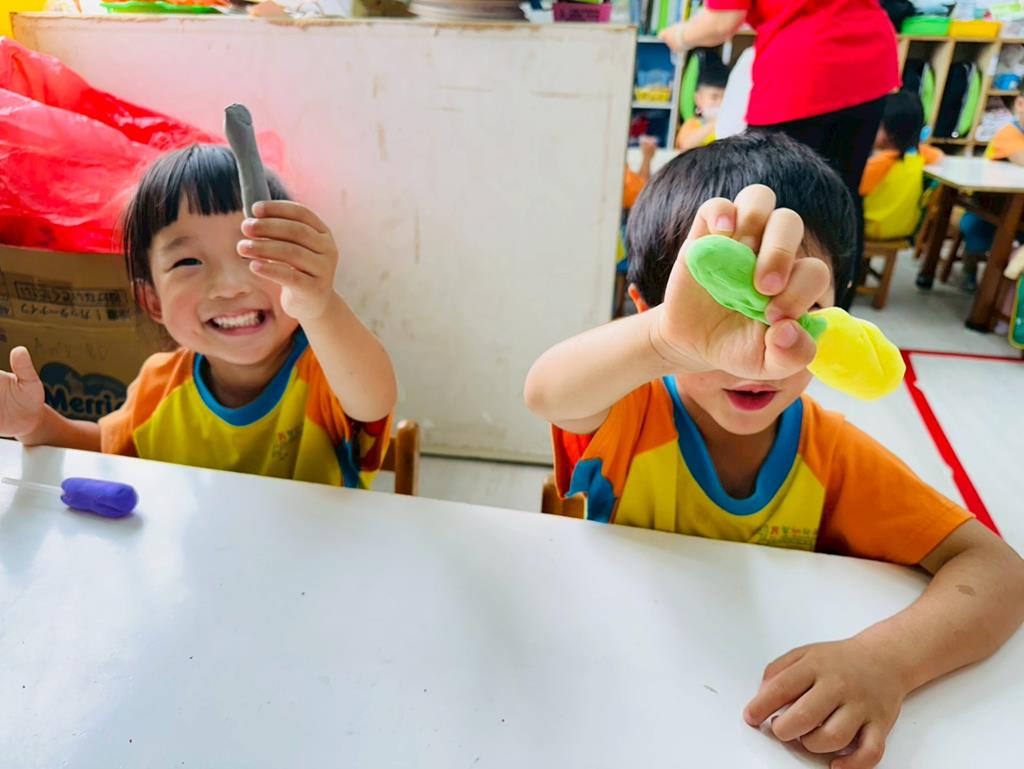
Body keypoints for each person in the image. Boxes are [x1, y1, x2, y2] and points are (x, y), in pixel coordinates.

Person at [524, 133, 1024, 769]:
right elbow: (545, 394)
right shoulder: (630, 412)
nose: (755, 355)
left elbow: (999, 571)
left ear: (838, 316)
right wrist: (665, 344)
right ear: (649, 311)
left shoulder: (833, 455)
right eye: (727, 311)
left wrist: (887, 660)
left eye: (799, 311)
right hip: (607, 694)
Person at [0, 144, 398, 488]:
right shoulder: (158, 388)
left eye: (253, 252)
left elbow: (373, 399)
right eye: (188, 261)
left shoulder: (327, 369)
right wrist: (35, 423)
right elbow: (105, 454)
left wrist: (321, 305)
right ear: (153, 301)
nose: (230, 285)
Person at [659, 0, 899, 305]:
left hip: (800, 69)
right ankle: (833, 312)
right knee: (843, 197)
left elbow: (720, 23)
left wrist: (678, 35)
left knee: (768, 196)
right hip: (868, 59)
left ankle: (757, 312)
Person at [958, 93, 1024, 291]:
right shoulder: (1008, 133)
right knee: (978, 230)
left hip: (1019, 209)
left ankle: (1008, 290)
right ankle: (970, 270)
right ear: (1020, 104)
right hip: (990, 204)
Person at [861, 91, 943, 241]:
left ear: (889, 133)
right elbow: (938, 155)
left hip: (871, 228)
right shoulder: (918, 156)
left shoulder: (878, 164)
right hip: (905, 228)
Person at [675, 56, 729, 151]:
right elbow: (685, 145)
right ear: (698, 99)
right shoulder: (693, 123)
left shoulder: (730, 125)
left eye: (726, 97)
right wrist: (715, 122)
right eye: (714, 97)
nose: (720, 103)